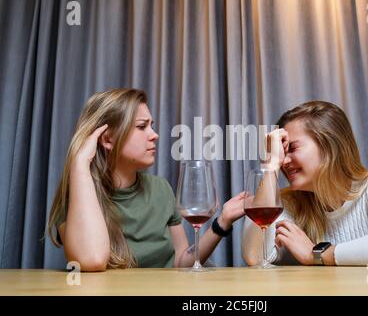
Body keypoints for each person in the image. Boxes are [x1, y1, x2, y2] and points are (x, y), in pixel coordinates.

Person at [47, 88, 245, 271]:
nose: (155, 135)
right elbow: (92, 259)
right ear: (107, 139)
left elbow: (181, 262)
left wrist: (222, 222)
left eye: (151, 125)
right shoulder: (77, 198)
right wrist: (80, 163)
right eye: (142, 126)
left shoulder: (161, 189)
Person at [242, 101, 368, 266]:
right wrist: (270, 166)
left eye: (292, 148)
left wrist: (318, 254)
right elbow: (256, 257)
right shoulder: (289, 203)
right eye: (281, 152)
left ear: (329, 146)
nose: (284, 161)